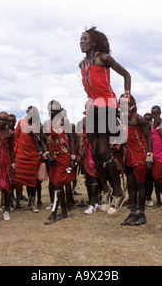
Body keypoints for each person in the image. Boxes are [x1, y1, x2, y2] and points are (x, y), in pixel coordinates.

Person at [79, 26, 130, 214]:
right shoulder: (82, 64)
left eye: (85, 39)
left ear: (94, 42)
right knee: (94, 153)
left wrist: (126, 96)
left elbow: (126, 74)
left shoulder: (103, 58)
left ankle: (118, 192)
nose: (81, 42)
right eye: (80, 39)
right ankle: (105, 190)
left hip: (107, 104)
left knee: (104, 150)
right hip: (93, 107)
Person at [43, 101, 76, 225]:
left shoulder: (64, 122)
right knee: (57, 184)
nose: (52, 111)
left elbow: (72, 139)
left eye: (54, 109)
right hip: (52, 159)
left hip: (64, 157)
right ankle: (64, 212)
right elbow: (43, 140)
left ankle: (53, 214)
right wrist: (46, 154)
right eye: (50, 109)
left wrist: (73, 158)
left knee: (57, 184)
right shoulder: (46, 124)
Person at [121, 95, 153, 226]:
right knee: (131, 185)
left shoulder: (138, 118)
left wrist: (149, 158)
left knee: (140, 185)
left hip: (140, 155)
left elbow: (149, 138)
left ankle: (142, 214)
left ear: (132, 105)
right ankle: (132, 213)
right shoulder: (123, 118)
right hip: (129, 156)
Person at [12, 106, 49, 212]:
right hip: (20, 156)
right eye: (27, 113)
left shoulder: (39, 126)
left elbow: (41, 141)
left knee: (32, 181)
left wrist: (42, 154)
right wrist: (15, 153)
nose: (28, 115)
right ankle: (15, 202)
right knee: (16, 178)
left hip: (33, 157)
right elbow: (16, 138)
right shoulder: (21, 123)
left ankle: (31, 203)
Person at [150, 105, 162, 207]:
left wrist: (158, 127)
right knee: (155, 178)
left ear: (160, 113)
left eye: (156, 114)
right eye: (152, 114)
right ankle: (158, 201)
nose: (154, 116)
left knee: (159, 177)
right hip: (153, 154)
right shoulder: (150, 124)